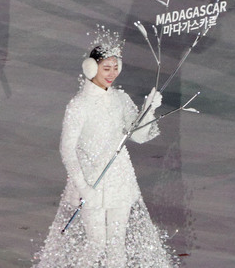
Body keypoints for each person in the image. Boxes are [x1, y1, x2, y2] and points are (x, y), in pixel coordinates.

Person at [34, 31, 176, 267]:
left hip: (119, 179)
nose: (112, 73)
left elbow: (138, 135)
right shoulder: (79, 105)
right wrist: (83, 187)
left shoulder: (120, 99)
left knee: (117, 244)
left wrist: (149, 109)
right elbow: (67, 149)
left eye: (115, 67)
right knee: (97, 242)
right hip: (91, 182)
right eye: (106, 68)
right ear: (91, 68)